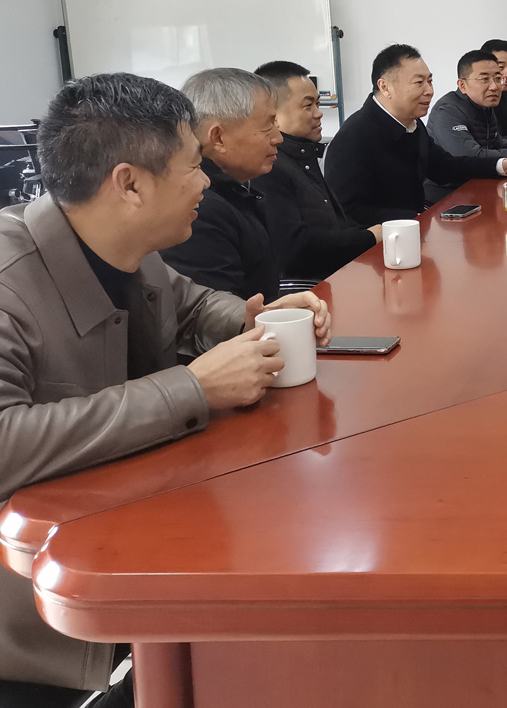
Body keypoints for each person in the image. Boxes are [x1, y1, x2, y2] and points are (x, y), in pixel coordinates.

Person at [0, 73, 331, 703]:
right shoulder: (9, 281)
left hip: (140, 534)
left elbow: (189, 303)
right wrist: (192, 388)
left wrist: (250, 320)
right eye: (192, 165)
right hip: (45, 621)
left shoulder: (127, 246)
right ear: (129, 184)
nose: (206, 182)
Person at [324, 45, 507, 225]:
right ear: (385, 87)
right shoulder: (354, 137)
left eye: (430, 81)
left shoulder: (412, 125)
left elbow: (445, 167)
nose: (429, 91)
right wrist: (415, 219)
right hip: (380, 247)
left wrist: (503, 165)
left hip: (416, 231)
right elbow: (347, 211)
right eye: (419, 83)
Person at [252, 60, 382, 283]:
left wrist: (373, 233)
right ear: (273, 114)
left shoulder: (303, 155)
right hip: (308, 288)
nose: (318, 113)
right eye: (308, 106)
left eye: (318, 103)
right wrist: (368, 237)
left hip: (337, 276)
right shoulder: (269, 167)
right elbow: (295, 250)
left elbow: (336, 224)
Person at [160, 69, 284, 301]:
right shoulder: (198, 207)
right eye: (268, 125)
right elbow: (213, 313)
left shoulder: (237, 189)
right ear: (218, 137)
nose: (279, 137)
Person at [424, 50, 507, 204]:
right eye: (484, 79)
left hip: (480, 186)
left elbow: (495, 141)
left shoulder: (485, 106)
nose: (494, 87)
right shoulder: (448, 110)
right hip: (447, 197)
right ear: (462, 85)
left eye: (497, 78)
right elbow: (469, 155)